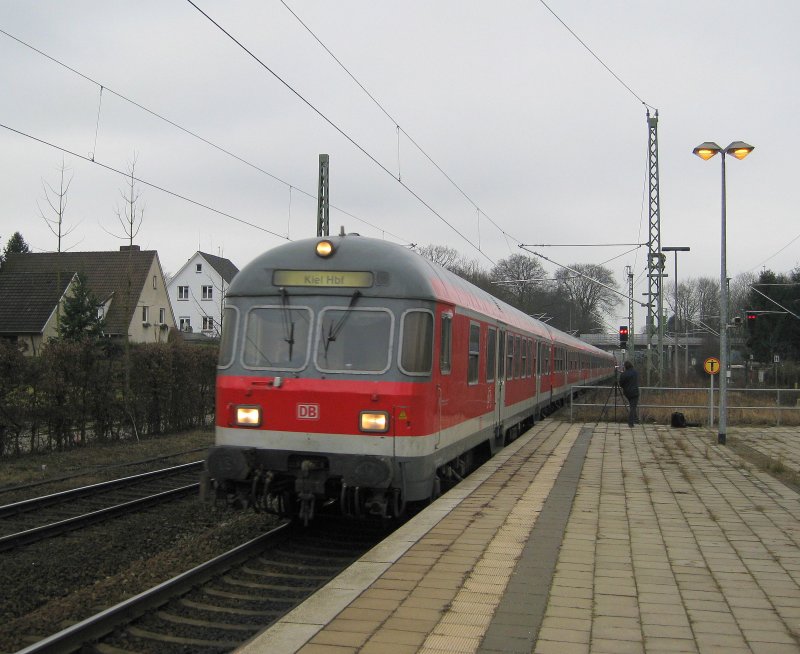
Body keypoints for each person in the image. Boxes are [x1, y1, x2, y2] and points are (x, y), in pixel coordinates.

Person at [618, 361, 639, 427]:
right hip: (635, 392)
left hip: (627, 393)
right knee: (633, 407)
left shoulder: (623, 374)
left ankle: (636, 419)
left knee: (632, 406)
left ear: (625, 367)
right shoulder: (635, 372)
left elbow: (621, 384)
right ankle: (631, 422)